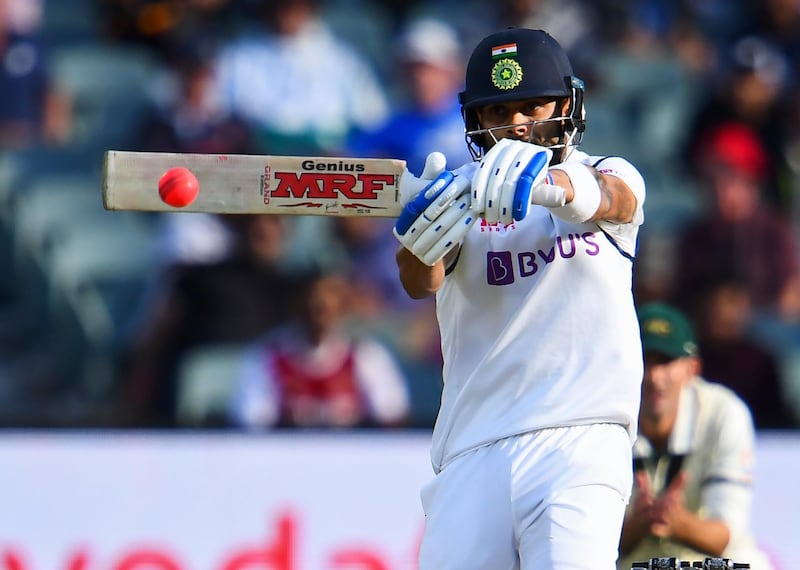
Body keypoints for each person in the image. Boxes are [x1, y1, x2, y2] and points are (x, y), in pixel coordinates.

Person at [393, 28, 646, 569]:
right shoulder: (459, 194)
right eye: (499, 111)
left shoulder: (608, 171)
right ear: (475, 120)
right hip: (472, 446)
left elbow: (615, 201)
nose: (516, 125)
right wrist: (417, 242)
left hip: (580, 437)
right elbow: (421, 283)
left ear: (567, 104)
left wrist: (552, 185)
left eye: (533, 106)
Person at [618, 302, 774, 570]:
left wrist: (679, 523)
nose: (655, 377)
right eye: (645, 360)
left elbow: (725, 535)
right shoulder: (606, 419)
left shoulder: (724, 413)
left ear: (692, 368)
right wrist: (635, 527)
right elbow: (584, 541)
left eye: (666, 362)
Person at [228, 268, 410, 429]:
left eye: (325, 310)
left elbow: (391, 416)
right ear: (296, 307)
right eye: (312, 308)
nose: (318, 320)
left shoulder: (366, 355)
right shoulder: (266, 356)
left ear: (341, 310)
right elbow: (253, 423)